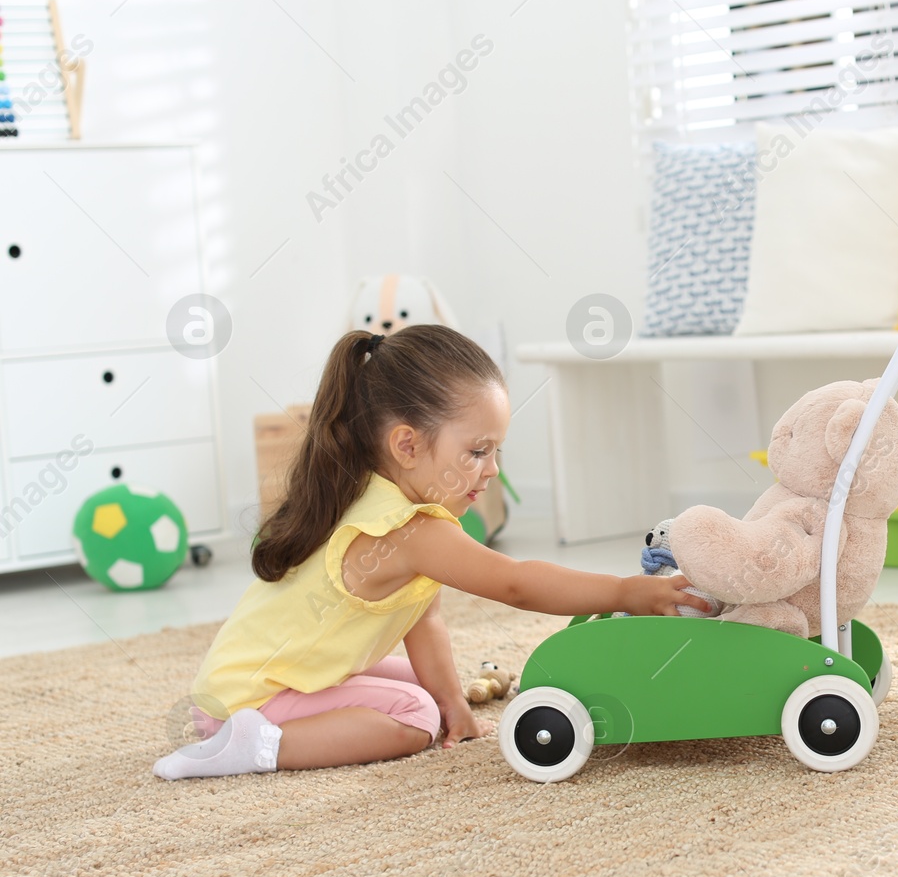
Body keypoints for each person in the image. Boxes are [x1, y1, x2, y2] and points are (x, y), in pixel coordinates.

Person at [153, 324, 707, 780]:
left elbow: (425, 620)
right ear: (407, 444)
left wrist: (456, 704)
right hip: (250, 697)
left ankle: (263, 726)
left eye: (497, 451)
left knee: (428, 686)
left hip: (254, 678)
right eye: (477, 451)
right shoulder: (408, 530)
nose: (492, 470)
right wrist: (624, 591)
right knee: (415, 715)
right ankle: (254, 745)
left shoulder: (375, 495)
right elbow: (513, 582)